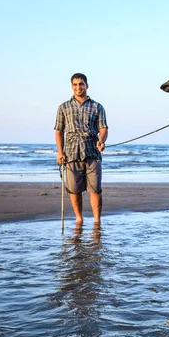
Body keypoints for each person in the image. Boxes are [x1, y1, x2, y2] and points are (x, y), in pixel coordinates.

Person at [55, 73, 108, 226]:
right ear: (72, 86)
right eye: (75, 84)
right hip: (71, 153)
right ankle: (79, 219)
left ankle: (97, 221)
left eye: (81, 84)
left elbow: (103, 128)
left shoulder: (97, 106)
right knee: (74, 190)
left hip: (92, 152)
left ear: (87, 85)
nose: (78, 87)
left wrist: (101, 141)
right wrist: (60, 152)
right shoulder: (63, 107)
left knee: (95, 189)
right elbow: (59, 131)